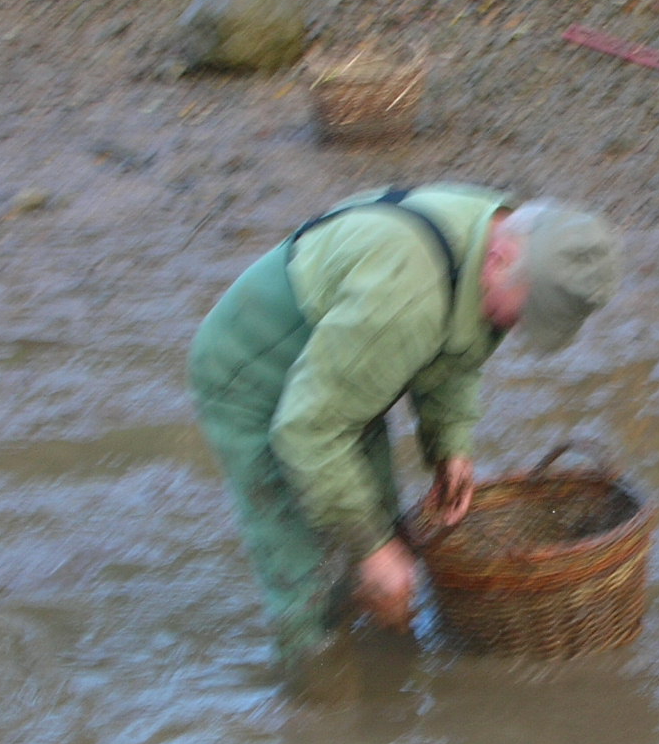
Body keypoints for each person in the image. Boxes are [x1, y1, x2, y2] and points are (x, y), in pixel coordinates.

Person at [187, 182, 622, 673]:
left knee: (385, 536)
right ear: (500, 259)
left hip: (341, 368)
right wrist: (371, 552)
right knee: (316, 577)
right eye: (526, 313)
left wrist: (450, 445)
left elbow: (459, 347)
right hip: (256, 379)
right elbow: (307, 430)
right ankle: (319, 711)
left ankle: (383, 671)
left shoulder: (497, 229)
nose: (520, 328)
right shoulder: (404, 299)